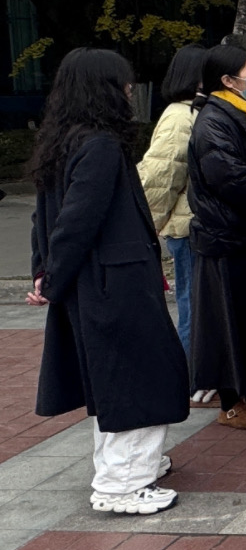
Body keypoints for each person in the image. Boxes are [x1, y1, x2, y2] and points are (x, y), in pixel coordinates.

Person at [28, 49, 189, 514]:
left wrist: (45, 272)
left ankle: (125, 468)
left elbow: (45, 218)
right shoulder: (99, 145)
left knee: (114, 379)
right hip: (115, 283)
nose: (129, 90)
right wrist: (51, 278)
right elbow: (78, 220)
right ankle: (123, 482)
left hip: (95, 283)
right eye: (123, 83)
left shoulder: (62, 141)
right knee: (139, 378)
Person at [187, 43, 246, 430]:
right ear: (227, 80)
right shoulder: (214, 121)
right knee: (224, 322)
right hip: (222, 235)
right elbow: (230, 179)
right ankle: (229, 402)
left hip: (245, 233)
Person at [137, 43, 205, 361]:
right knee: (193, 307)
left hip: (192, 226)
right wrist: (150, 225)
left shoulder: (194, 111)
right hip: (187, 228)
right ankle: (189, 375)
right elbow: (160, 177)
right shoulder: (180, 116)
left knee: (197, 305)